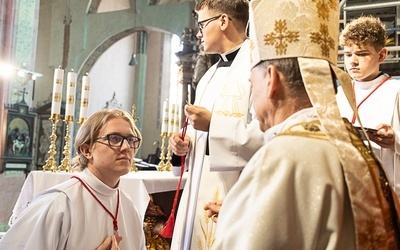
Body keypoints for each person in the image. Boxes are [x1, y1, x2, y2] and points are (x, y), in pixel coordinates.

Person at [210, 0, 400, 249]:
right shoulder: (354, 147)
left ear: (271, 80)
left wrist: (236, 218)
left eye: (251, 82)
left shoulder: (280, 159)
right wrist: (246, 212)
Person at [168, 0, 264, 249]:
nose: (199, 32)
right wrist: (183, 146)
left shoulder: (259, 68)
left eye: (202, 24)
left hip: (235, 194)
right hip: (198, 192)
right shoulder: (208, 77)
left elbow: (266, 137)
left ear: (223, 21)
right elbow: (200, 142)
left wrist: (214, 125)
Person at [0, 109, 146, 250]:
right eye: (114, 139)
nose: (127, 147)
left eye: (132, 140)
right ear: (87, 150)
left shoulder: (129, 207)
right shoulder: (58, 204)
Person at [336, 16, 400, 197]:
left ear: (381, 55)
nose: (352, 61)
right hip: (349, 190)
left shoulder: (396, 91)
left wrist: (395, 139)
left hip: (388, 194)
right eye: (348, 54)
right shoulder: (340, 93)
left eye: (362, 54)